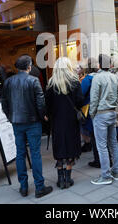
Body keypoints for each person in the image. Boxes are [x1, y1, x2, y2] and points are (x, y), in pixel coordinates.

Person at [1, 55, 53, 198]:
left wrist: (9, 117)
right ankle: (39, 187)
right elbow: (40, 103)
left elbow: (4, 103)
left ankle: (23, 187)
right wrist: (44, 116)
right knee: (35, 153)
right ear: (29, 67)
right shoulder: (33, 80)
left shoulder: (9, 81)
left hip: (16, 122)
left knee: (20, 154)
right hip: (33, 122)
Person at [45, 57, 84, 189]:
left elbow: (47, 105)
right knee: (71, 146)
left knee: (60, 146)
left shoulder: (51, 84)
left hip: (57, 120)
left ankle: (60, 179)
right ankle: (68, 178)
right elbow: (80, 101)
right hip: (71, 120)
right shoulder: (74, 82)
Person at [89, 54, 118, 185]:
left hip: (101, 114)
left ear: (99, 65)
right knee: (113, 143)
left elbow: (94, 98)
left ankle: (106, 176)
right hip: (112, 112)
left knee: (102, 146)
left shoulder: (97, 78)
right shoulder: (115, 77)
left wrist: (92, 114)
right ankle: (116, 171)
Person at [76, 62, 92, 153]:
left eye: (78, 68)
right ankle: (88, 142)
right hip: (85, 105)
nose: (76, 70)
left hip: (85, 106)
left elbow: (81, 93)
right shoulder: (80, 79)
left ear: (83, 69)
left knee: (84, 126)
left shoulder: (85, 80)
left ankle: (88, 143)